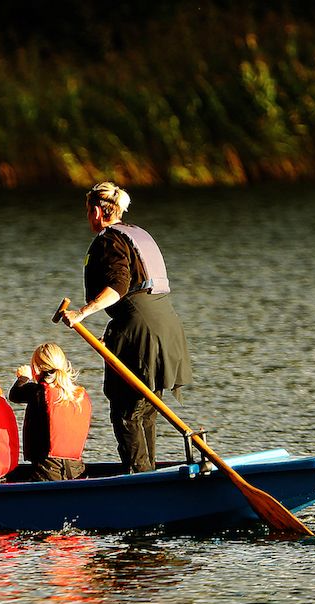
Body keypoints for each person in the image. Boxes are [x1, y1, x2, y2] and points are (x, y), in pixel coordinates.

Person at [62, 182, 192, 473]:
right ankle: (148, 473)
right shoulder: (138, 234)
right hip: (165, 327)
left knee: (126, 410)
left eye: (88, 211)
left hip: (141, 332)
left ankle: (140, 479)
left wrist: (82, 313)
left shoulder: (108, 241)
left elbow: (118, 287)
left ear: (97, 212)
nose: (88, 217)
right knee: (145, 408)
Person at [8, 343, 91, 481]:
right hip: (76, 469)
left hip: (47, 470)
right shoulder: (79, 395)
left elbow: (14, 394)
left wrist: (23, 377)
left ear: (36, 369)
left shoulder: (38, 392)